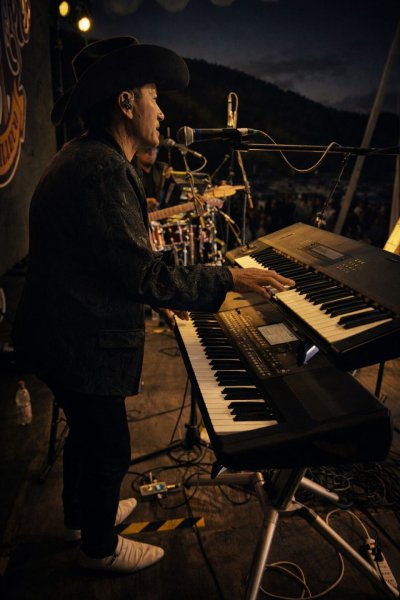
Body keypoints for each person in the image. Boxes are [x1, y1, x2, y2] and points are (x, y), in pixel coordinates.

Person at [12, 37, 294, 575]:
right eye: (154, 97)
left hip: (55, 335)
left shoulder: (84, 157)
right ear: (125, 103)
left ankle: (81, 519)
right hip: (76, 342)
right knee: (109, 447)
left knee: (86, 437)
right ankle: (99, 547)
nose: (162, 112)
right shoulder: (103, 168)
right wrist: (229, 276)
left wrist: (162, 295)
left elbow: (110, 263)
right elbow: (142, 272)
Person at [133, 145, 171, 210]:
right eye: (146, 150)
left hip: (157, 213)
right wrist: (143, 203)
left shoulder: (162, 169)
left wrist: (170, 178)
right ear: (137, 152)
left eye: (154, 149)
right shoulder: (131, 172)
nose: (151, 153)